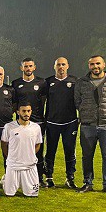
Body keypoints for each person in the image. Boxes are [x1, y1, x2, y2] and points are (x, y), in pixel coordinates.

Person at [74, 55, 106, 194]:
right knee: (87, 156)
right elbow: (77, 101)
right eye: (92, 64)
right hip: (88, 125)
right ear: (89, 66)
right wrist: (85, 112)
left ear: (104, 64)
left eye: (98, 63)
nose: (95, 66)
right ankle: (88, 183)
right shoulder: (81, 82)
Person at [12, 58, 47, 187]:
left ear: (34, 67)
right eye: (26, 66)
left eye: (30, 66)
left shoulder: (41, 83)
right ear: (21, 68)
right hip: (21, 123)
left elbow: (43, 101)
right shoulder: (16, 83)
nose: (28, 68)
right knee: (20, 149)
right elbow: (14, 103)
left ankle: (39, 177)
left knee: (38, 150)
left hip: (37, 122)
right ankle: (19, 176)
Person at [44, 57, 78, 189]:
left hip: (70, 122)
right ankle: (49, 177)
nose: (61, 67)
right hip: (52, 122)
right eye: (58, 64)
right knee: (50, 151)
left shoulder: (74, 81)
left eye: (63, 64)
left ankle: (70, 178)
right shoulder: (48, 82)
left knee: (70, 151)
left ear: (68, 66)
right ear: (54, 67)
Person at [1, 103, 43, 197]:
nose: (26, 113)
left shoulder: (36, 127)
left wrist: (30, 154)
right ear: (18, 112)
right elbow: (4, 143)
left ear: (31, 112)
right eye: (23, 111)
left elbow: (38, 144)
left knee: (32, 194)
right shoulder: (9, 127)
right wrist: (10, 156)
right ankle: (6, 180)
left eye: (28, 111)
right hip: (13, 165)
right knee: (9, 194)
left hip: (30, 166)